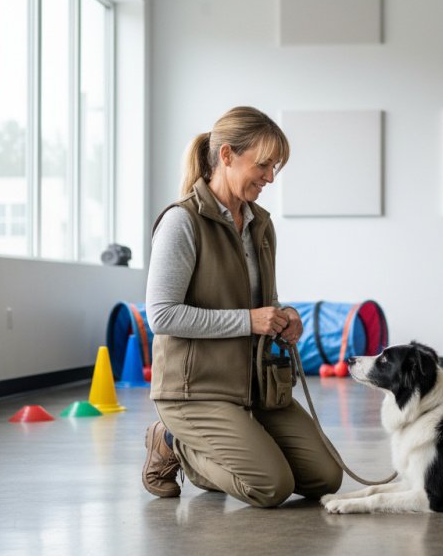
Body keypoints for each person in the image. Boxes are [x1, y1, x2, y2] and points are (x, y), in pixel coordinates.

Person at [142, 106, 342, 507]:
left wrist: (286, 317)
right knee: (271, 487)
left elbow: (262, 301)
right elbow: (161, 315)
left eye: (275, 169)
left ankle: (238, 443)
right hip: (195, 391)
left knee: (326, 477)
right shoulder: (182, 222)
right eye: (264, 165)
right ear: (228, 155)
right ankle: (171, 442)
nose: (270, 178)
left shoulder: (260, 224)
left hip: (256, 386)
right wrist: (249, 321)